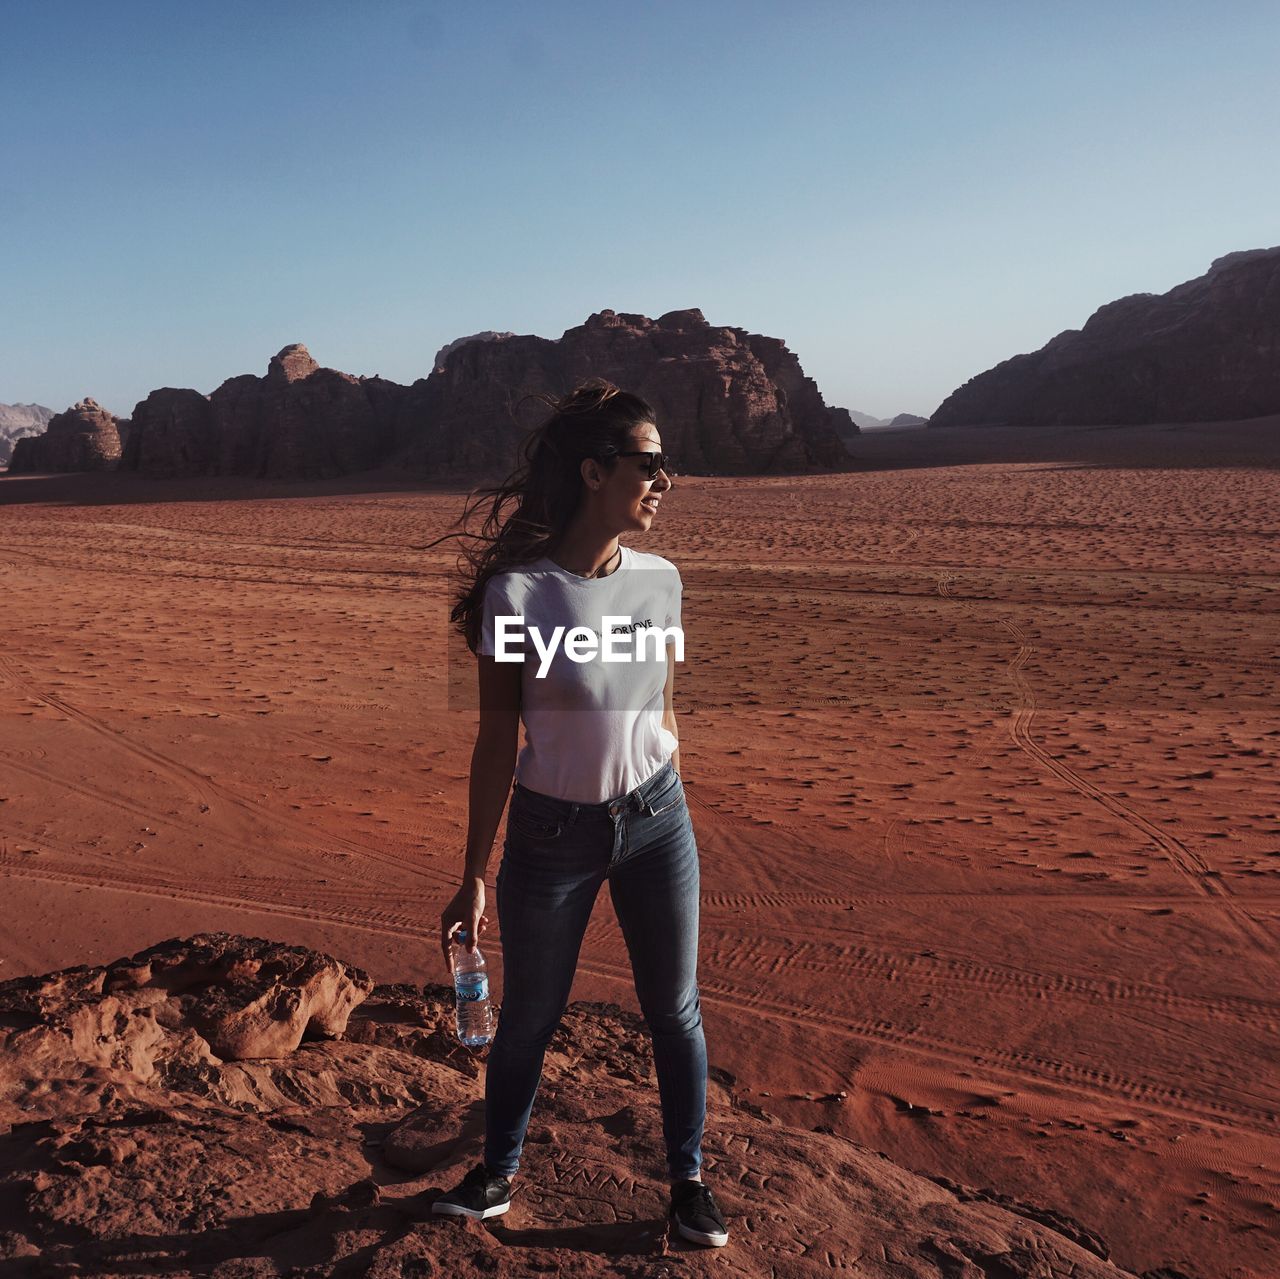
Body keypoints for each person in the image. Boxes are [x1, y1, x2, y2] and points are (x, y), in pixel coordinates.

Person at [428, 379, 729, 1248]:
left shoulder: (661, 582)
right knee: (530, 1015)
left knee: (673, 1008)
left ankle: (688, 1183)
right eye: (649, 463)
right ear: (596, 472)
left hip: (654, 821)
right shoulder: (518, 595)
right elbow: (496, 742)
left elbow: (665, 704)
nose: (665, 479)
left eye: (667, 464)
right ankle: (496, 1173)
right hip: (551, 833)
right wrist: (473, 876)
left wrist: (658, 783)